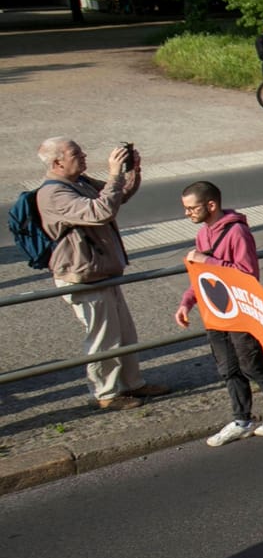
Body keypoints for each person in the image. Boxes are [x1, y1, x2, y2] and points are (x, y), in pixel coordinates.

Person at [34, 137, 163, 410]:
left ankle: (132, 384)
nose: (83, 155)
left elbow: (117, 197)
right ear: (58, 162)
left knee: (125, 334)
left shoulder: (78, 181)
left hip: (101, 272)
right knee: (103, 339)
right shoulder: (53, 194)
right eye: (75, 153)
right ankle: (106, 394)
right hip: (82, 277)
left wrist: (131, 171)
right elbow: (101, 211)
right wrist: (115, 174)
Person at [174, 181, 263, 446]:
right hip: (215, 312)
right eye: (185, 209)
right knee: (228, 368)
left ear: (211, 205)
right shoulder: (203, 234)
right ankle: (242, 419)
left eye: (191, 208)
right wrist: (187, 302)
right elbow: (201, 276)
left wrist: (206, 260)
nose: (187, 214)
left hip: (239, 312)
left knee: (250, 364)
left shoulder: (237, 232)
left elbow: (246, 273)